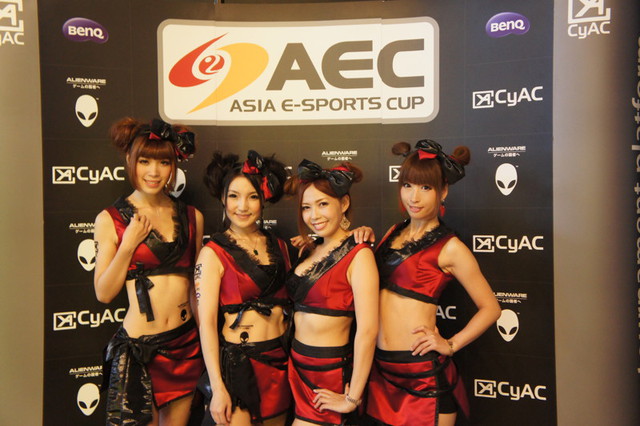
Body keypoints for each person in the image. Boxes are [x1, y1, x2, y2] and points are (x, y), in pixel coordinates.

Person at [365, 140, 501, 426]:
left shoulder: (450, 248)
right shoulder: (393, 232)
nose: (414, 197)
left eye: (426, 188)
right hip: (380, 372)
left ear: (443, 191)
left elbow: (491, 308)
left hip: (422, 376)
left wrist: (450, 344)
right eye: (407, 185)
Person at [94, 117, 205, 425]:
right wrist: (128, 245)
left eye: (163, 162)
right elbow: (104, 293)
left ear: (174, 165)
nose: (154, 172)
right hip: (139, 350)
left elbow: (195, 289)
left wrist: (208, 344)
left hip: (184, 346)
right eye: (145, 161)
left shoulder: (192, 217)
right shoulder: (111, 219)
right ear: (130, 161)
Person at [195, 150, 292, 426]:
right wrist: (218, 388)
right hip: (238, 367)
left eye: (252, 197)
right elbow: (206, 325)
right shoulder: (212, 253)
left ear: (264, 199)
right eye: (234, 196)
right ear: (222, 199)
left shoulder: (280, 246)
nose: (242, 206)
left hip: (279, 364)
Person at [283, 159, 379, 426]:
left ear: (344, 203)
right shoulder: (309, 249)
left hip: (327, 375)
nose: (314, 215)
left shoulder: (359, 255)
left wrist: (352, 398)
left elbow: (368, 331)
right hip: (296, 368)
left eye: (323, 204)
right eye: (306, 207)